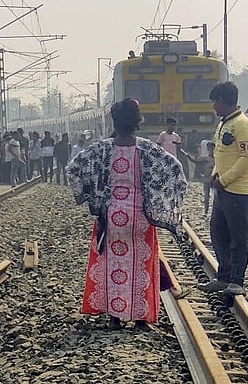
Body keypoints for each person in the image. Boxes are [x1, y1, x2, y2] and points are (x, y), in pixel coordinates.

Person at [67, 98, 187, 329]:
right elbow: (176, 170)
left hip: (111, 215)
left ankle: (115, 317)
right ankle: (141, 318)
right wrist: (160, 201)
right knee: (141, 265)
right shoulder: (147, 148)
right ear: (137, 122)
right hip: (140, 216)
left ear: (115, 122)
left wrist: (89, 196)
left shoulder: (102, 148)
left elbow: (73, 168)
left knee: (113, 263)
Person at [198, 82, 248, 297]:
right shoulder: (224, 123)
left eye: (215, 101)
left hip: (238, 191)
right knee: (218, 232)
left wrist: (225, 180)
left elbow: (246, 157)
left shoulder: (241, 124)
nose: (213, 106)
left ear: (222, 100)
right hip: (223, 190)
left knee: (238, 238)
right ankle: (223, 276)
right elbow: (221, 155)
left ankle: (237, 280)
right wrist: (216, 174)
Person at [183, 141, 216, 216]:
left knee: (215, 196)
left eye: (212, 148)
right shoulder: (205, 159)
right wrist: (188, 156)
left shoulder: (217, 159)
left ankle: (214, 211)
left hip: (215, 179)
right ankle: (206, 211)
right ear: (208, 149)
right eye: (209, 148)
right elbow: (195, 161)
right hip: (207, 179)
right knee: (206, 196)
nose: (211, 150)